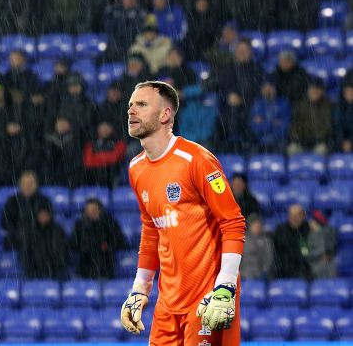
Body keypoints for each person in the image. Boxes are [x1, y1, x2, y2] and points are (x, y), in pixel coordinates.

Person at [121, 81, 245, 345]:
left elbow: (233, 222)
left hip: (207, 299)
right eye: (131, 104)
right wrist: (139, 289)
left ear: (165, 115)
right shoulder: (136, 169)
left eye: (141, 104)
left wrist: (226, 286)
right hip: (168, 304)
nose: (131, 110)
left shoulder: (197, 160)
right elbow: (152, 229)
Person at [70, 198, 128, 279]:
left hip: (105, 266)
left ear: (100, 210)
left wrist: (106, 246)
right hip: (84, 268)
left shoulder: (110, 224)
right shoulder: (79, 226)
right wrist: (86, 247)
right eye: (89, 210)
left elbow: (120, 242)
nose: (92, 213)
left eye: (94, 210)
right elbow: (73, 244)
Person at [0, 171, 51, 250]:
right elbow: (4, 221)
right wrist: (17, 231)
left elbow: (48, 221)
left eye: (30, 184)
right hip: (17, 237)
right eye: (24, 184)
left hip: (38, 237)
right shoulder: (12, 201)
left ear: (35, 185)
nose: (27, 186)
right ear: (20, 185)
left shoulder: (44, 201)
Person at [19, 202, 69, 279]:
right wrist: (31, 265)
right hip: (34, 271)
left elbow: (61, 251)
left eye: (45, 215)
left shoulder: (57, 230)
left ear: (50, 215)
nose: (43, 217)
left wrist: (55, 265)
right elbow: (26, 251)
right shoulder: (31, 231)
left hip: (54, 271)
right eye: (41, 215)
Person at [273, 204, 310, 279]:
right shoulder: (280, 230)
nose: (294, 218)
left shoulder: (308, 230)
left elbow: (306, 252)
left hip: (302, 270)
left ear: (303, 216)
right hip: (282, 270)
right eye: (292, 215)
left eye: (297, 215)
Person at [240, 214, 274, 280]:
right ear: (249, 226)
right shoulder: (242, 239)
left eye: (259, 225)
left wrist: (263, 272)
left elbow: (269, 258)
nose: (257, 227)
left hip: (260, 275)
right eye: (254, 225)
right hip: (243, 274)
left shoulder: (266, 240)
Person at [307, 210, 337, 279]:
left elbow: (330, 250)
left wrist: (326, 257)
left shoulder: (329, 232)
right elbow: (304, 252)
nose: (310, 222)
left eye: (313, 221)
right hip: (310, 263)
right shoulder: (303, 234)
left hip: (325, 263)